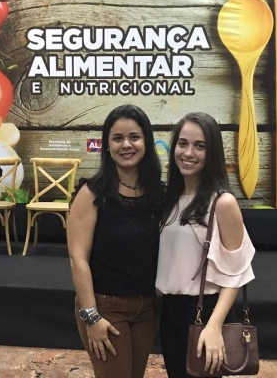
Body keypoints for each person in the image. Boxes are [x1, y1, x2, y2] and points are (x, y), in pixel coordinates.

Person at [156, 112, 255, 377]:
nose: (188, 153)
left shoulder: (222, 202)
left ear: (212, 153)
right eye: (183, 143)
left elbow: (235, 273)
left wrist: (214, 325)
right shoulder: (169, 199)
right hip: (170, 312)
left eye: (199, 146)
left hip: (205, 312)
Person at [67, 104, 163, 378]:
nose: (126, 145)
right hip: (105, 307)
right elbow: (78, 259)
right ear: (107, 145)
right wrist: (91, 317)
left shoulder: (157, 193)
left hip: (146, 308)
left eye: (134, 137)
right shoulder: (91, 193)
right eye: (118, 138)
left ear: (146, 142)